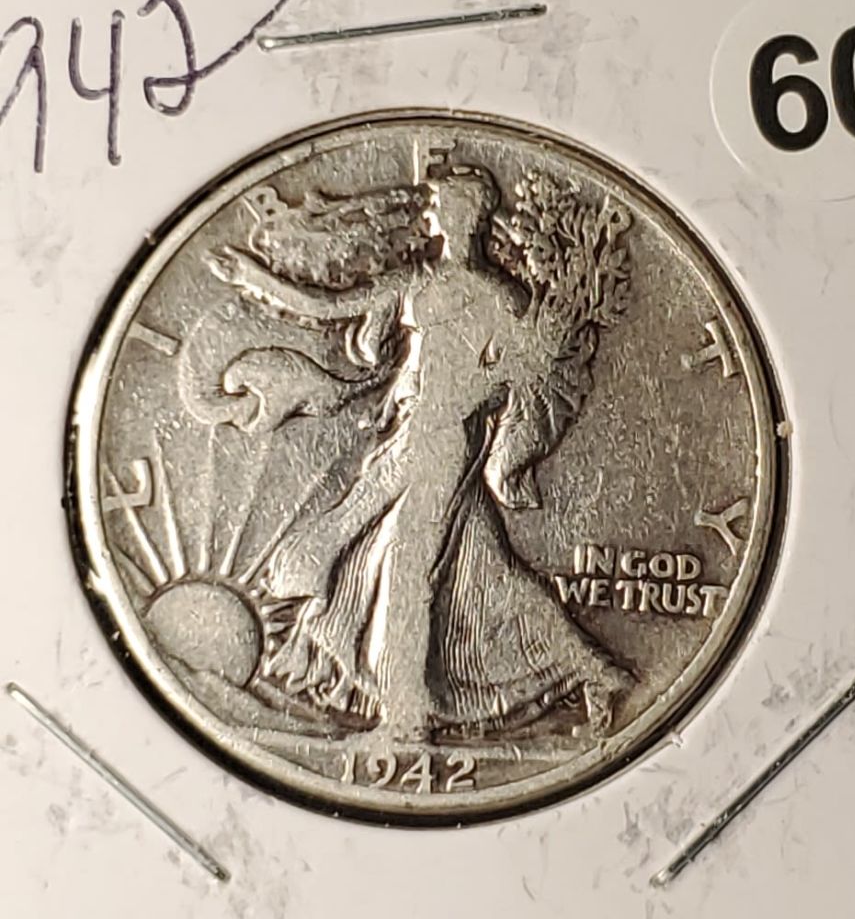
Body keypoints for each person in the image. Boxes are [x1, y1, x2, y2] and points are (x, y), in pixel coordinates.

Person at [204, 159, 634, 740]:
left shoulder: (499, 298)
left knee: (407, 572)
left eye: (442, 205)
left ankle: (404, 719)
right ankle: (596, 671)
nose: (432, 214)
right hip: (411, 436)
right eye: (434, 206)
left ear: (468, 216)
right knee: (477, 564)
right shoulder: (420, 281)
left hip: (447, 441)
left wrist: (472, 403)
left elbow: (523, 373)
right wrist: (256, 280)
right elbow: (332, 305)